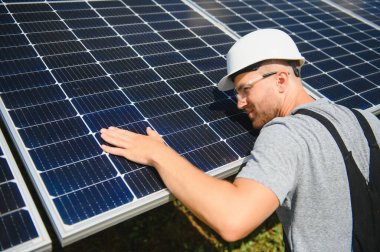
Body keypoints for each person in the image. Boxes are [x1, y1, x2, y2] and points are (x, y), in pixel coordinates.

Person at [100, 29, 380, 251]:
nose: (239, 103)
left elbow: (233, 218)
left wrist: (158, 154)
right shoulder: (365, 119)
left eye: (245, 89)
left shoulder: (287, 133)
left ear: (281, 81)